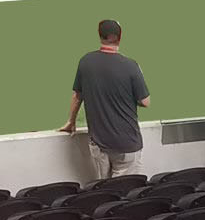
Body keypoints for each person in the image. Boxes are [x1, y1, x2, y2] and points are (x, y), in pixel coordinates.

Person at [62, 19, 149, 179]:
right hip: (127, 143)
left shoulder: (86, 61)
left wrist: (71, 121)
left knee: (106, 191)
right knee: (127, 192)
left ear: (100, 36)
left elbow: (77, 95)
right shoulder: (131, 65)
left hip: (99, 143)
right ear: (120, 38)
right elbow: (145, 101)